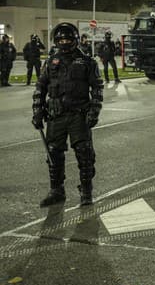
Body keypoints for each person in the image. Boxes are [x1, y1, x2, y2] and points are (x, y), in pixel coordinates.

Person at [32, 22, 104, 207]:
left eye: (68, 39)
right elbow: (40, 87)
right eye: (61, 39)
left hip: (79, 115)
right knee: (54, 154)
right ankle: (57, 190)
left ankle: (86, 191)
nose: (64, 42)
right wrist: (37, 110)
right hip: (56, 115)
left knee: (84, 154)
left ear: (75, 40)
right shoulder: (50, 62)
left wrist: (94, 112)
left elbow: (97, 88)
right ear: (56, 41)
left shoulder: (87, 62)